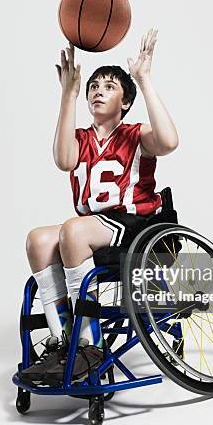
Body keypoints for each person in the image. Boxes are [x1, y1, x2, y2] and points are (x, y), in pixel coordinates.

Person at [20, 29, 179, 386]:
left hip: (135, 224)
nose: (98, 90)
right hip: (93, 226)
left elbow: (169, 141)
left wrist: (144, 79)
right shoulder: (80, 138)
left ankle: (90, 348)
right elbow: (63, 161)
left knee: (73, 229)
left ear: (125, 101)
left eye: (109, 86)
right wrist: (68, 94)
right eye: (94, 86)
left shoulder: (136, 134)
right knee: (38, 240)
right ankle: (64, 341)